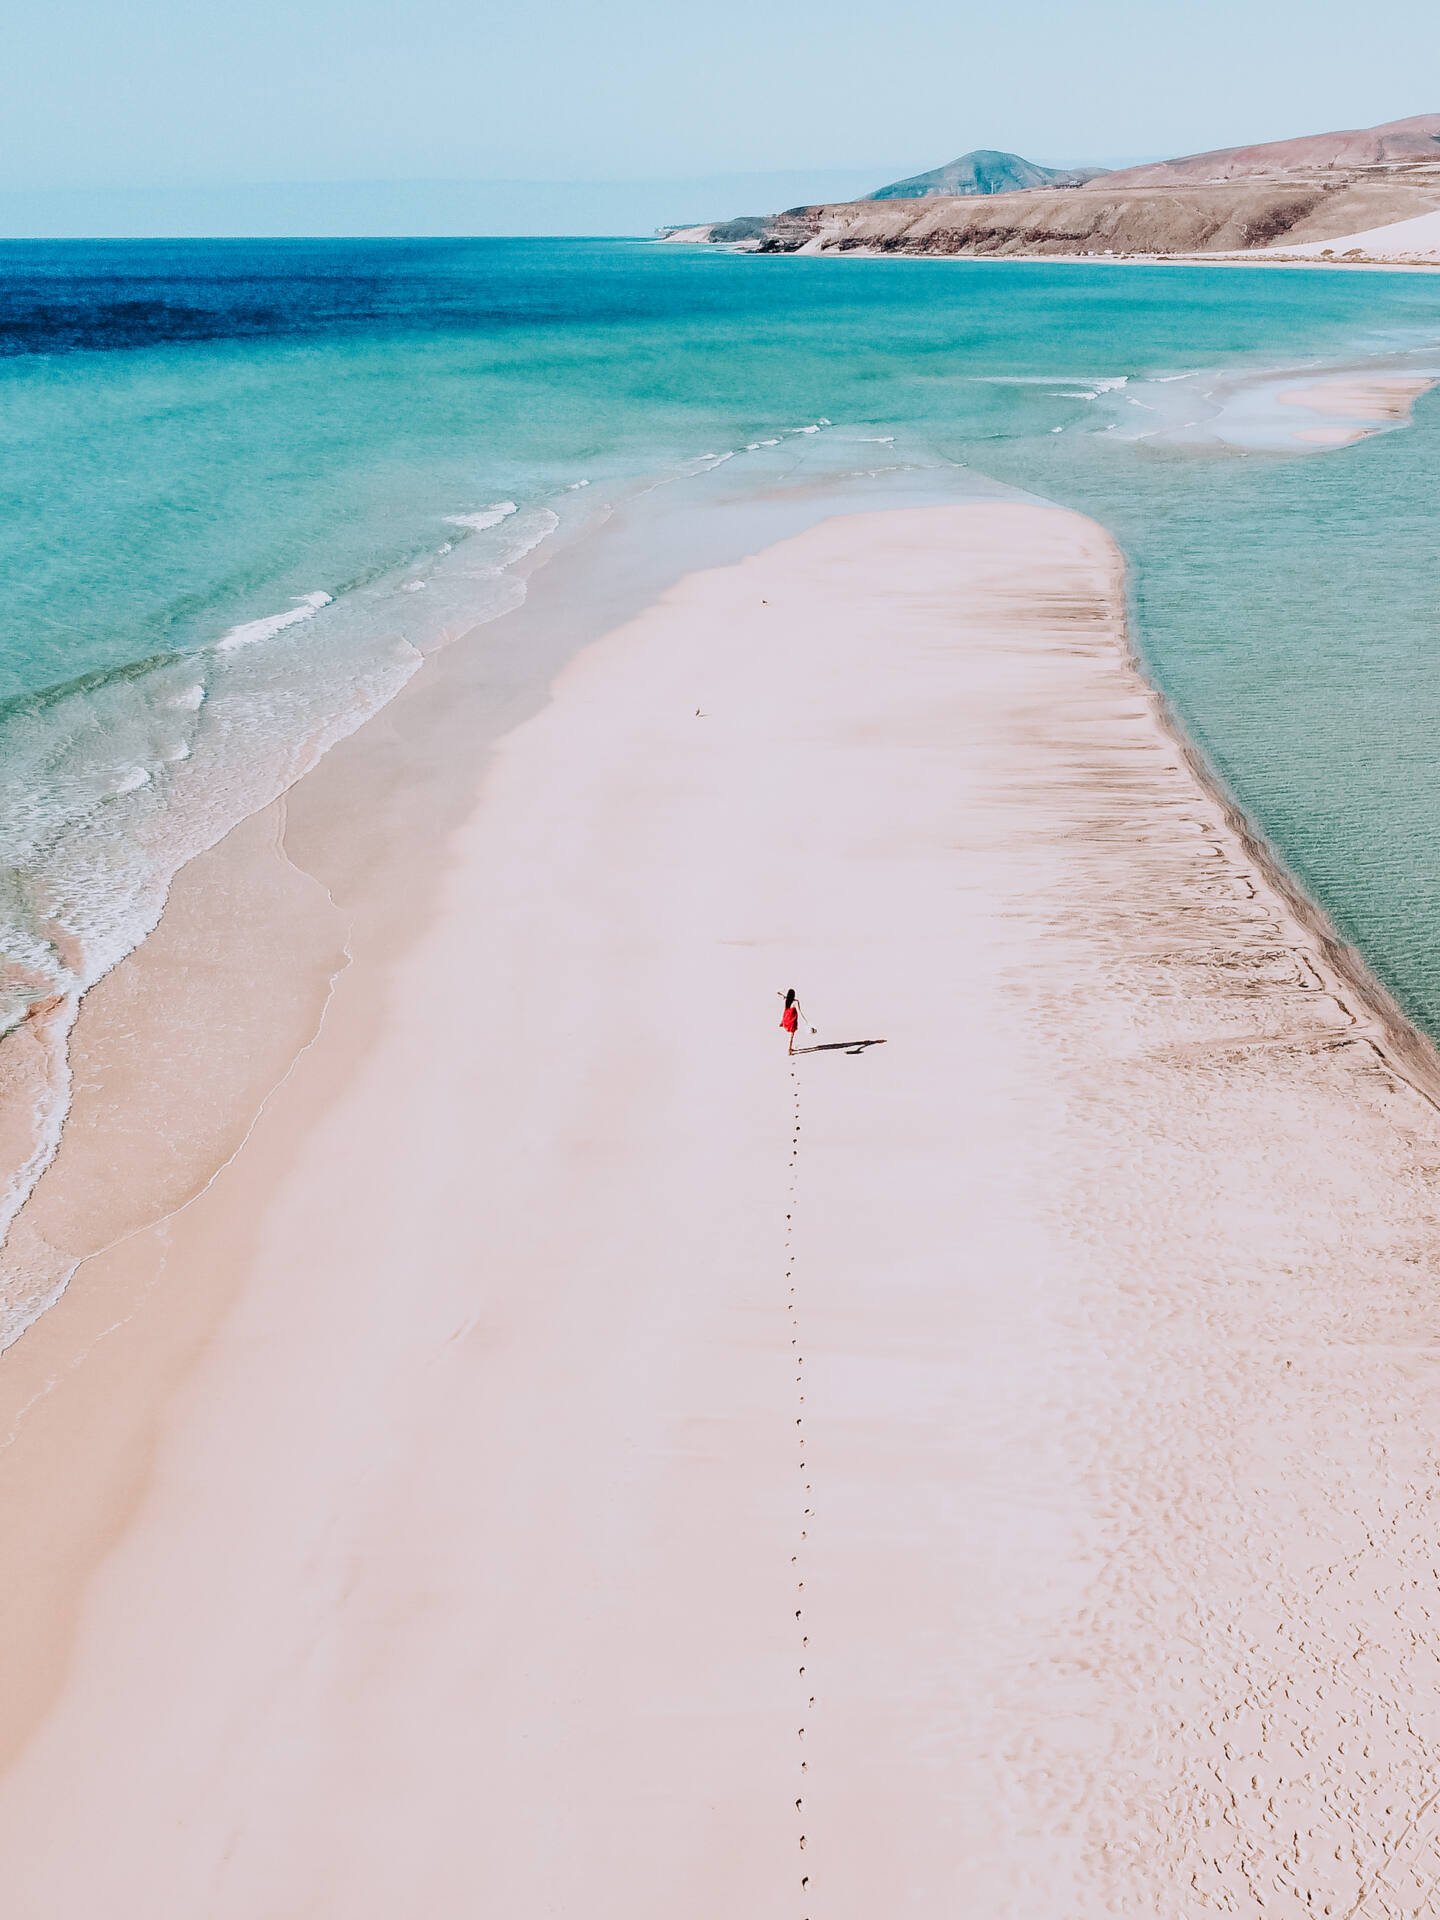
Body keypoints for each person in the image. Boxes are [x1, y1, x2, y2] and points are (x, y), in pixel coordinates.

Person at [779, 988, 814, 1056]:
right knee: (791, 1036)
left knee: (790, 1035)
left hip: (786, 1018)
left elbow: (779, 993)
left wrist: (782, 993)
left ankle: (790, 1048)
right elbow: (800, 1012)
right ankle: (789, 1050)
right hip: (792, 1020)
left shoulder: (787, 1000)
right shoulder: (795, 1002)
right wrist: (806, 1021)